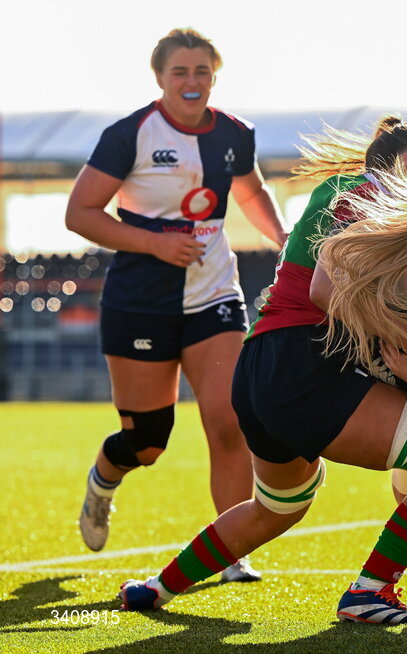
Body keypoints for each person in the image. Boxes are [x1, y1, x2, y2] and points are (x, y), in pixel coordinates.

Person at [117, 118, 407, 625]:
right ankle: (371, 591)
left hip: (262, 372)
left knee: (276, 509)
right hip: (303, 365)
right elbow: (324, 290)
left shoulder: (348, 197)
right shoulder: (370, 190)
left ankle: (156, 588)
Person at [65, 28, 287, 583]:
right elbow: (81, 214)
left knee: (231, 423)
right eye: (180, 72)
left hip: (214, 296)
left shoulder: (235, 134)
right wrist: (157, 243)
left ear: (215, 75)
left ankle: (230, 552)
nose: (192, 82)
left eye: (202, 72)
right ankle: (101, 484)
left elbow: (251, 192)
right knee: (146, 442)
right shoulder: (130, 135)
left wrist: (286, 240)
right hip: (140, 303)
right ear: (160, 78)